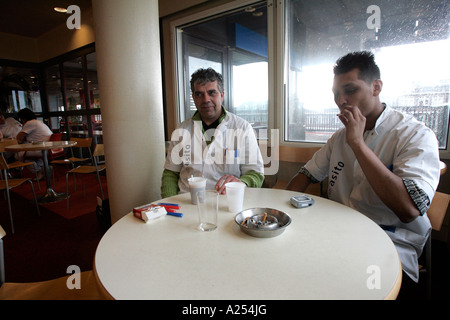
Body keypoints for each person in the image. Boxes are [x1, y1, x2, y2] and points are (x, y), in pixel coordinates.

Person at [286, 51, 440, 283]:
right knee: (290, 258)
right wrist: (280, 214)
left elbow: (409, 209)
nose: (341, 101)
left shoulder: (414, 134)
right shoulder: (338, 138)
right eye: (336, 94)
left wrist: (357, 144)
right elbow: (306, 174)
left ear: (376, 87)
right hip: (339, 230)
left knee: (339, 279)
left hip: (389, 238)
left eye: (350, 90)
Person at [162, 68, 264, 197]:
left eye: (212, 93)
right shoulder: (182, 130)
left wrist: (241, 182)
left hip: (226, 202)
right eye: (199, 94)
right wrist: (169, 204)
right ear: (193, 97)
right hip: (187, 203)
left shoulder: (242, 127)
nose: (206, 100)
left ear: (221, 95)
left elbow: (256, 174)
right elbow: (170, 173)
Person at [15, 108, 53, 179]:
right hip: (48, 148)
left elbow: (19, 137)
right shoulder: (38, 122)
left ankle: (39, 171)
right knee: (30, 155)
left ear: (23, 118)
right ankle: (43, 169)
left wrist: (23, 127)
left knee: (19, 155)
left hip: (41, 149)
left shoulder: (29, 123)